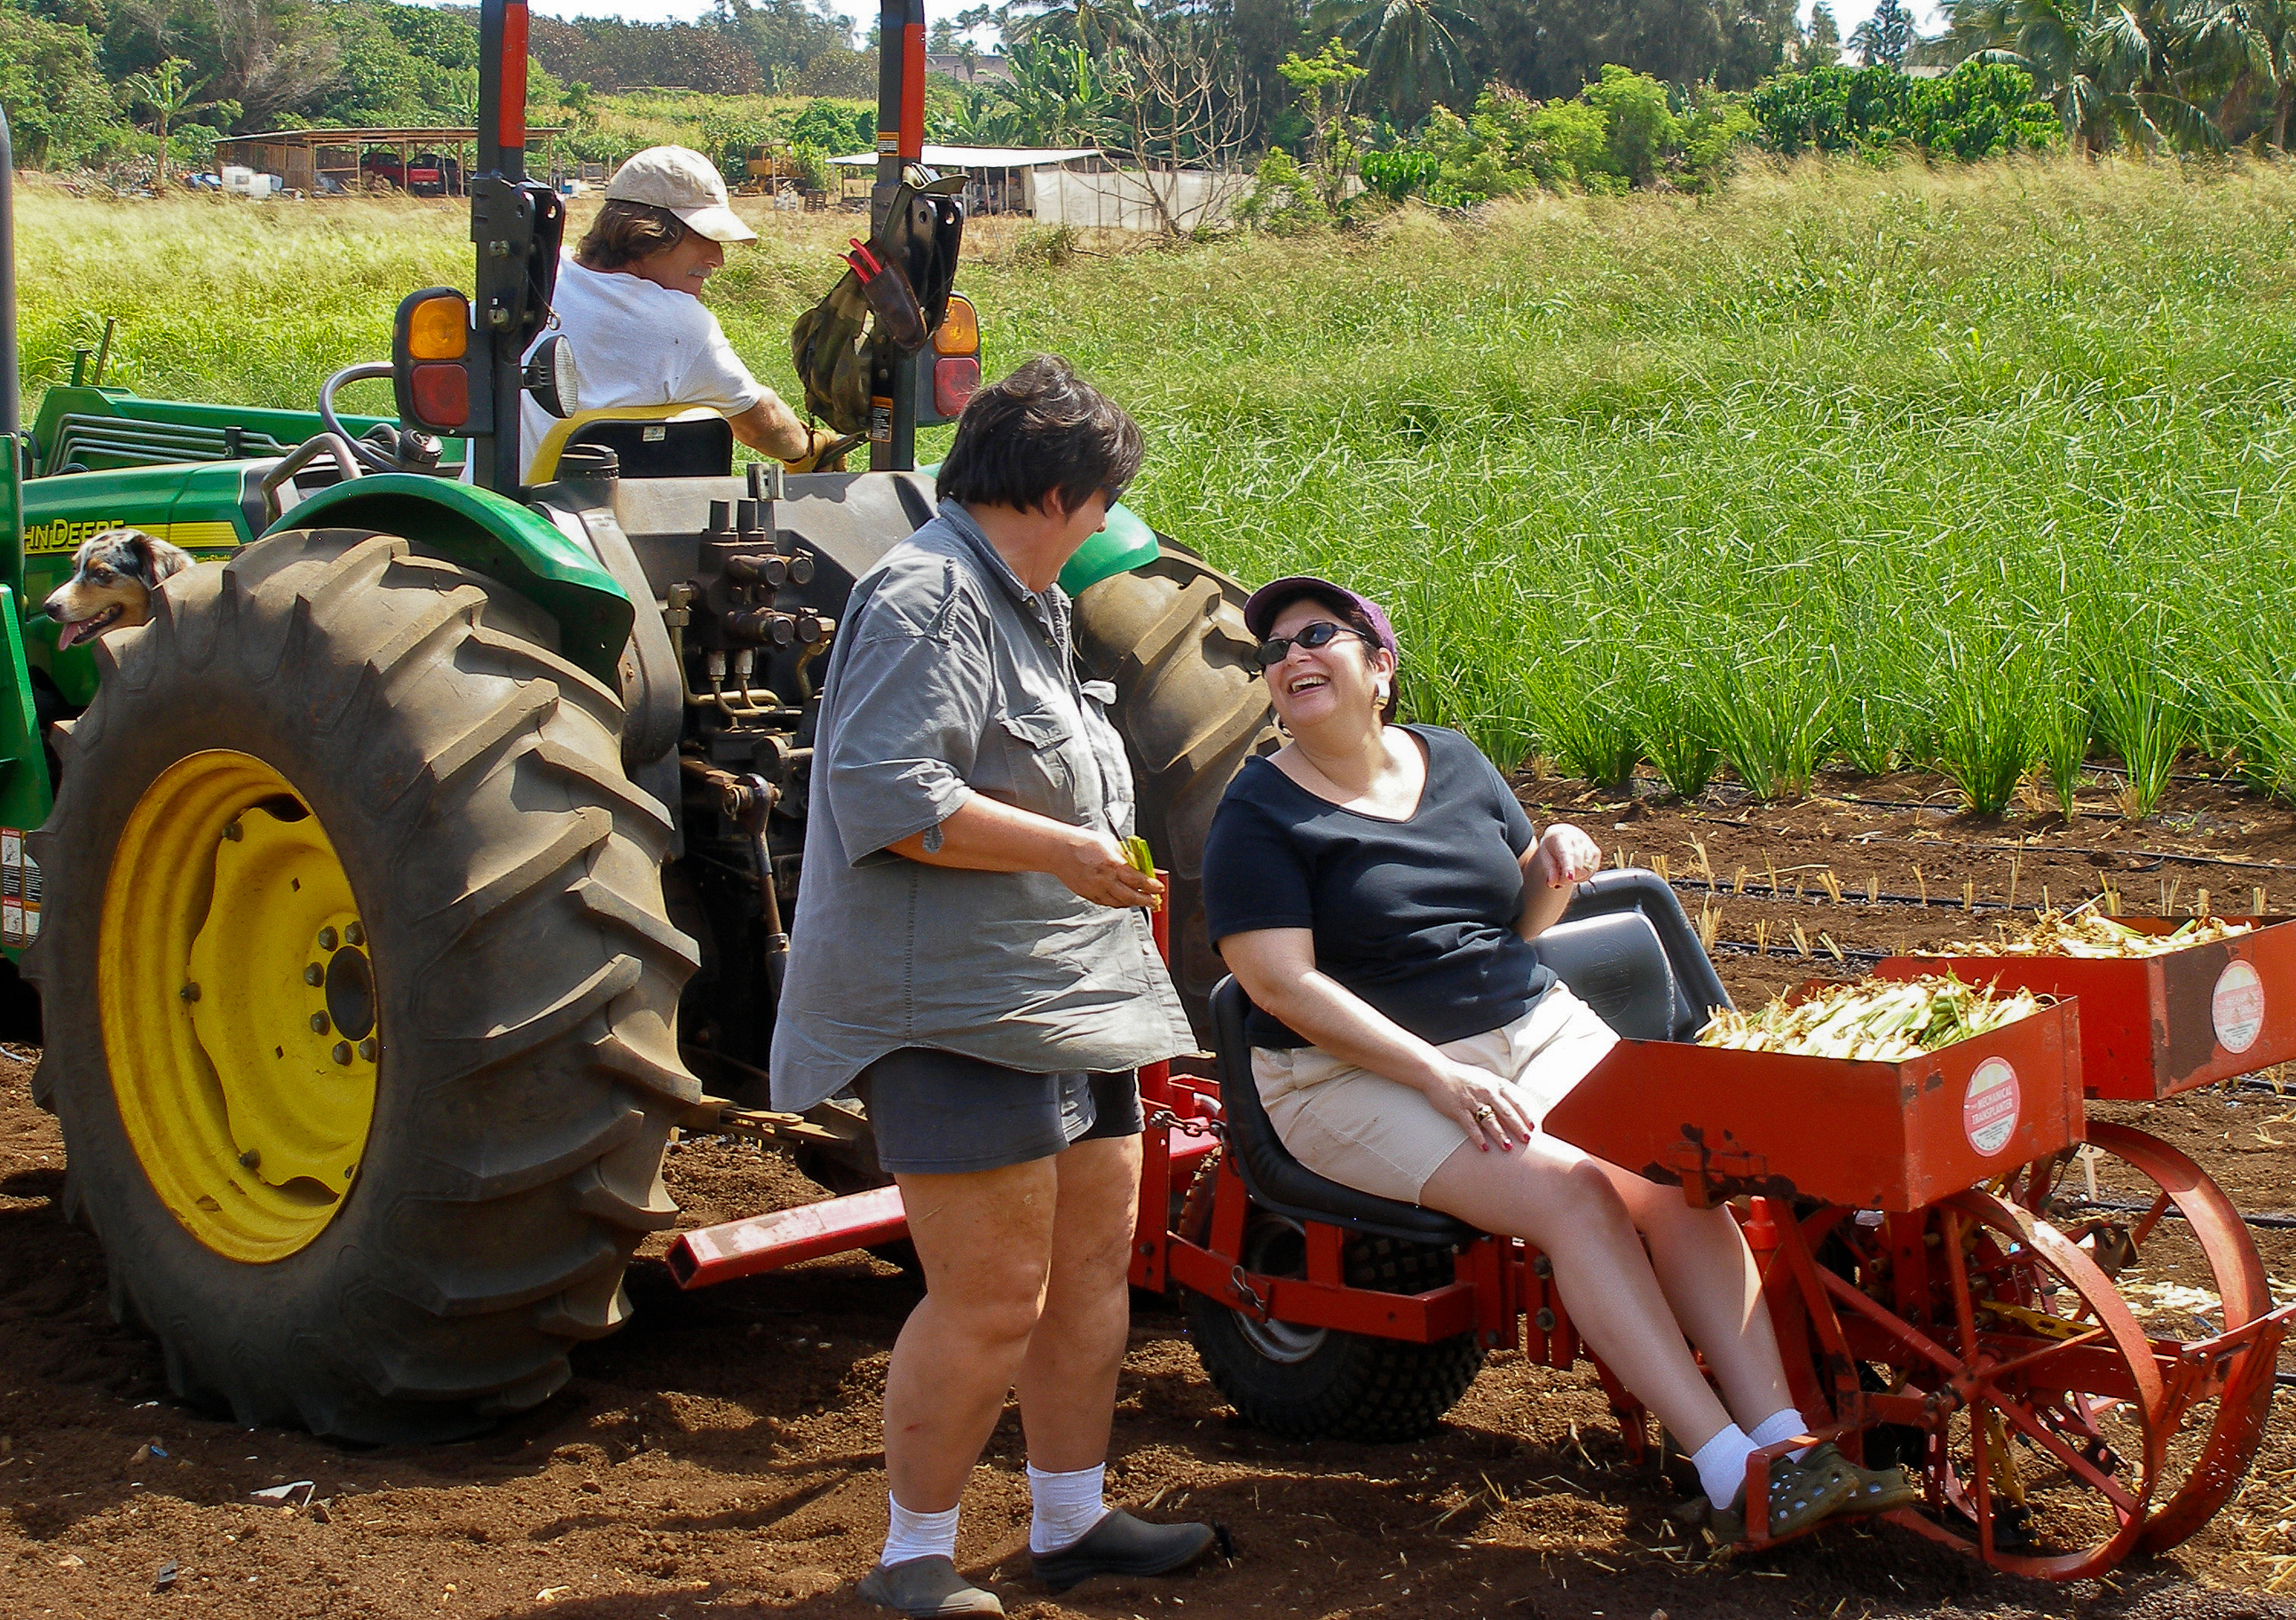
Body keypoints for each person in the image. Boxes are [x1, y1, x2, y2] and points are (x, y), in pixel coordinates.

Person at [1200, 576, 1921, 1545]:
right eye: (1273, 648)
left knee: (1674, 1176)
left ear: (1380, 665)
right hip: (1348, 1075)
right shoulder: (1258, 811)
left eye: (1315, 634)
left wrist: (1550, 869)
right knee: (1572, 1194)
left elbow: (1513, 922)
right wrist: (1434, 1072)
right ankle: (1726, 1472)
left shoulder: (1451, 760)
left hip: (1527, 1024)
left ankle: (1788, 1444)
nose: (1289, 655)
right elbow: (1276, 982)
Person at [772, 356, 1216, 1618]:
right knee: (989, 1299)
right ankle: (914, 1554)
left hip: (1071, 991)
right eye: (1100, 505)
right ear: (1064, 492)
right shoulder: (927, 594)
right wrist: (1069, 851)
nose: (1097, 530)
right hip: (960, 1010)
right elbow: (890, 798)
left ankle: (1070, 1518)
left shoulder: (1021, 598)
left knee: (1088, 1276)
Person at [519, 146, 825, 478]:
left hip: (487, 514)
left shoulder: (530, 279)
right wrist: (809, 451)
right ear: (646, 233)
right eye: (701, 237)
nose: (717, 258)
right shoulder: (679, 325)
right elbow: (761, 424)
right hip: (581, 522)